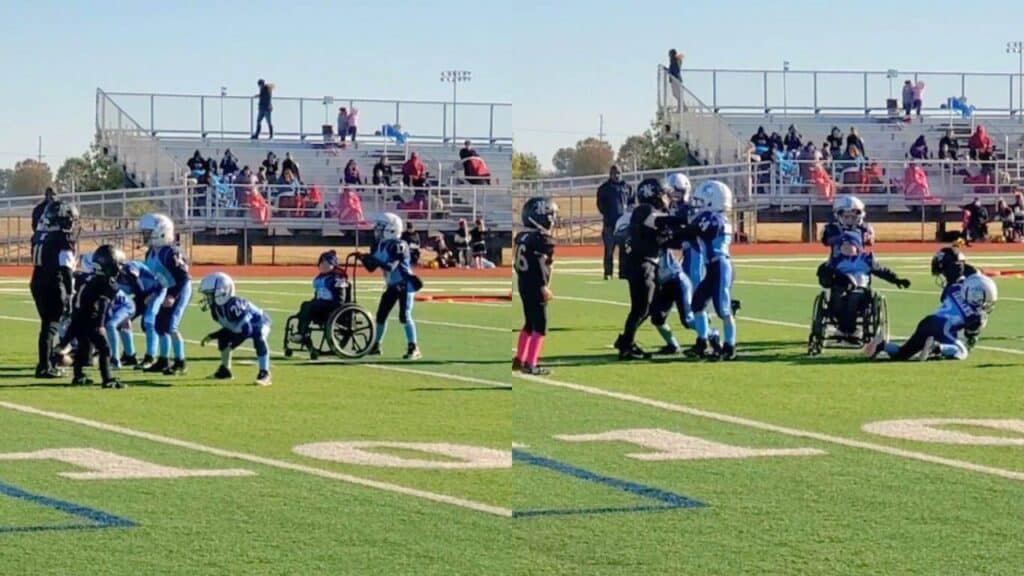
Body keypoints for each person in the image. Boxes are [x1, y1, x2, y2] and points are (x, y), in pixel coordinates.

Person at [614, 178, 686, 360]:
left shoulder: (646, 214)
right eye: (664, 194)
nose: (667, 198)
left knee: (642, 308)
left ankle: (626, 342)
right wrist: (684, 218)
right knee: (641, 308)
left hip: (642, 264)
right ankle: (626, 344)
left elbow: (666, 237)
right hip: (642, 265)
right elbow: (661, 222)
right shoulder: (645, 210)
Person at [865, 269, 997, 361]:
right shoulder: (975, 315)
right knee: (962, 352)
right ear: (974, 295)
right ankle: (937, 348)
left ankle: (882, 345)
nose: (985, 303)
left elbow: (948, 295)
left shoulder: (954, 289)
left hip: (927, 322)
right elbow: (970, 338)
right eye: (983, 299)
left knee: (903, 353)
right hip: (942, 327)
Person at [816, 232, 910, 335]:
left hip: (861, 292)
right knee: (838, 298)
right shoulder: (836, 261)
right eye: (842, 246)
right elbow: (823, 274)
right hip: (841, 289)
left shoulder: (867, 260)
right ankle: (842, 327)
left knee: (854, 298)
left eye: (849, 245)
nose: (845, 248)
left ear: (857, 246)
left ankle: (850, 329)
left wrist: (897, 280)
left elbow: (882, 271)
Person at [687, 181, 739, 360]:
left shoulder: (715, 219)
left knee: (723, 309)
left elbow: (699, 230)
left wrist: (684, 228)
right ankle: (702, 341)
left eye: (702, 201)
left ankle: (730, 345)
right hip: (712, 267)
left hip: (721, 266)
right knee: (698, 303)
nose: (698, 206)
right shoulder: (713, 218)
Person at [360, 213, 423, 360]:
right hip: (392, 285)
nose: (376, 230)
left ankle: (414, 347)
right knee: (381, 315)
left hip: (404, 284)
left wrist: (374, 260)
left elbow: (390, 266)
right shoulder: (380, 245)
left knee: (404, 316)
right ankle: (376, 345)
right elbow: (371, 268)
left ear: (391, 229)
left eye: (380, 227)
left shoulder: (399, 245)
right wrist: (364, 258)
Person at [63, 245, 126, 388]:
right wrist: (101, 324)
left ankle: (78, 376)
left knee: (83, 347)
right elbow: (103, 304)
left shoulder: (89, 278)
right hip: (90, 318)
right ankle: (107, 379)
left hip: (78, 316)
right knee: (104, 349)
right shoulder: (108, 284)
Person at [137, 213, 192, 375]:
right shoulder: (151, 252)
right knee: (160, 325)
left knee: (171, 326)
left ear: (160, 231)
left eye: (148, 232)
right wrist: (151, 294)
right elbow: (156, 278)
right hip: (165, 289)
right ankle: (163, 360)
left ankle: (180, 362)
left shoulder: (171, 252)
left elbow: (183, 277)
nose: (145, 235)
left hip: (179, 289)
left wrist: (173, 295)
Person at [649, 173, 696, 354]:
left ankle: (713, 336)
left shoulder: (659, 224)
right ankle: (673, 345)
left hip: (676, 279)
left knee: (689, 320)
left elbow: (671, 234)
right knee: (657, 317)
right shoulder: (656, 222)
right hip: (666, 281)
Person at [198, 272, 272, 386]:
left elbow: (247, 330)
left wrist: (233, 345)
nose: (207, 298)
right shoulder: (216, 311)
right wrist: (213, 336)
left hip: (260, 322)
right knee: (223, 339)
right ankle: (225, 371)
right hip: (244, 327)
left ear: (221, 292)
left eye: (210, 294)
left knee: (259, 338)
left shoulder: (234, 305)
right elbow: (231, 328)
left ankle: (265, 373)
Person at [31, 201, 78, 378]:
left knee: (47, 325)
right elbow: (65, 268)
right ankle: (45, 366)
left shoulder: (39, 235)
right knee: (51, 326)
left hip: (37, 281)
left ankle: (45, 363)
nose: (71, 224)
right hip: (53, 283)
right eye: (70, 220)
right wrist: (70, 292)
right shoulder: (62, 239)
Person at [514, 197, 558, 375]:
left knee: (529, 323)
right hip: (535, 284)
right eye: (550, 215)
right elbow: (542, 266)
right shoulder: (541, 239)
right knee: (540, 325)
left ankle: (520, 358)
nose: (552, 220)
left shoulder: (522, 236)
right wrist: (544, 286)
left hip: (523, 282)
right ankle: (530, 363)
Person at [290, 250, 348, 346]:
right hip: (320, 304)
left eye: (324, 263)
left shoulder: (338, 278)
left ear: (332, 264)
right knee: (305, 305)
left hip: (330, 306)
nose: (321, 265)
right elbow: (318, 295)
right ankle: (302, 333)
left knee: (309, 306)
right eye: (320, 263)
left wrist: (335, 310)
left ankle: (302, 333)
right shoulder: (320, 278)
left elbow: (340, 299)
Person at [113, 260, 163, 369]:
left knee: (148, 323)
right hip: (143, 294)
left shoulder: (129, 268)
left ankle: (150, 357)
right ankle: (130, 356)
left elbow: (138, 287)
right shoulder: (114, 275)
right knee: (122, 320)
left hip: (156, 290)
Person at [596, 165, 634, 280]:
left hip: (624, 225)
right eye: (614, 173)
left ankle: (623, 274)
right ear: (610, 174)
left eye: (618, 173)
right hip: (610, 225)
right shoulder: (604, 188)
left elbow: (632, 202)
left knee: (624, 251)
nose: (616, 176)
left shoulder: (627, 187)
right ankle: (608, 273)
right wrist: (608, 215)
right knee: (609, 251)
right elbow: (600, 205)